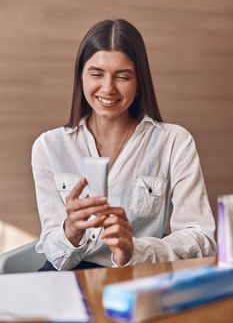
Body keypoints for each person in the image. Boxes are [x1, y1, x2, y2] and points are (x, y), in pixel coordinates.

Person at [31, 19, 217, 271]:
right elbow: (57, 257)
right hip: (68, 279)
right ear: (81, 77)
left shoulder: (174, 142)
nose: (108, 88)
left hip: (138, 275)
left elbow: (202, 238)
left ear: (139, 82)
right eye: (96, 74)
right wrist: (70, 230)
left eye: (122, 76)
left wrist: (135, 249)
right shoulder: (49, 146)